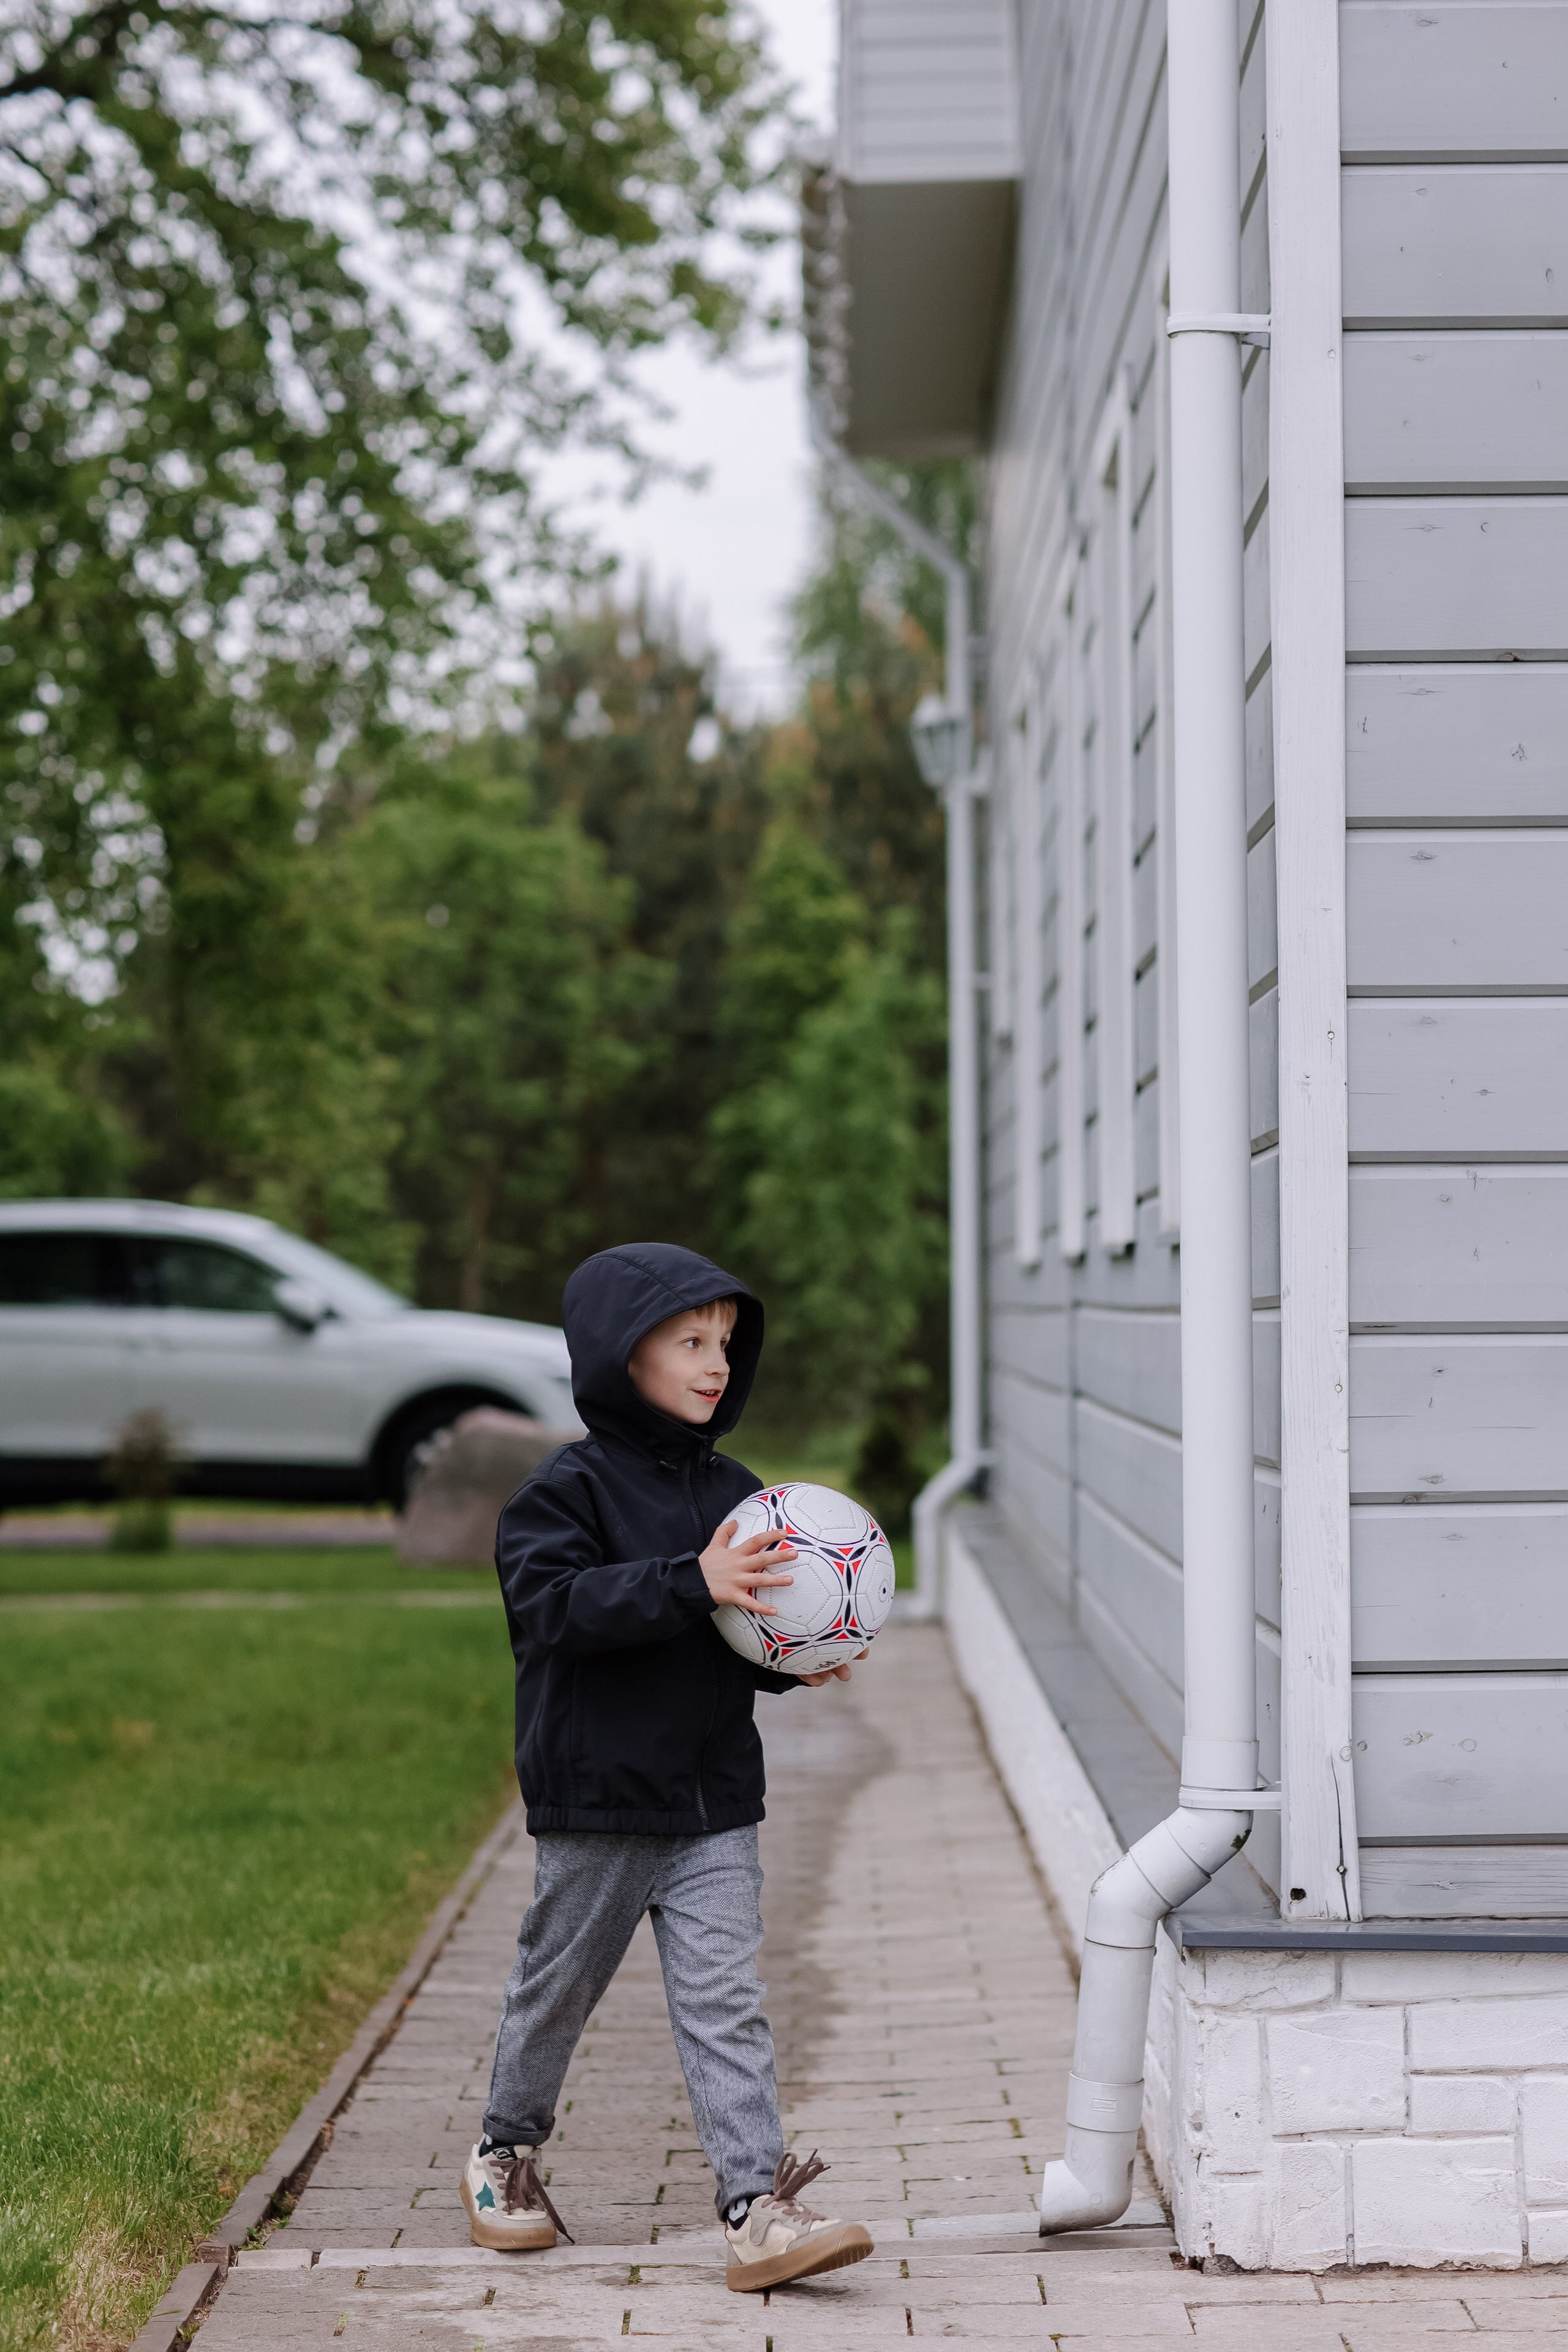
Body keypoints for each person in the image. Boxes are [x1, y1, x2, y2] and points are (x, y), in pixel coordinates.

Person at [461, 1242, 873, 2293]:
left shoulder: (741, 1494)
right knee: (556, 1990)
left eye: (726, 1345)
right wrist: (690, 1580)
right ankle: (505, 2154)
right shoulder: (564, 1494)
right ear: (618, 1356)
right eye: (689, 1342)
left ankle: (756, 2206)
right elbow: (555, 1610)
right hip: (600, 1800)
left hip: (712, 1805)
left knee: (726, 1999)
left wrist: (795, 1664)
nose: (715, 1364)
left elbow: (731, 1629)